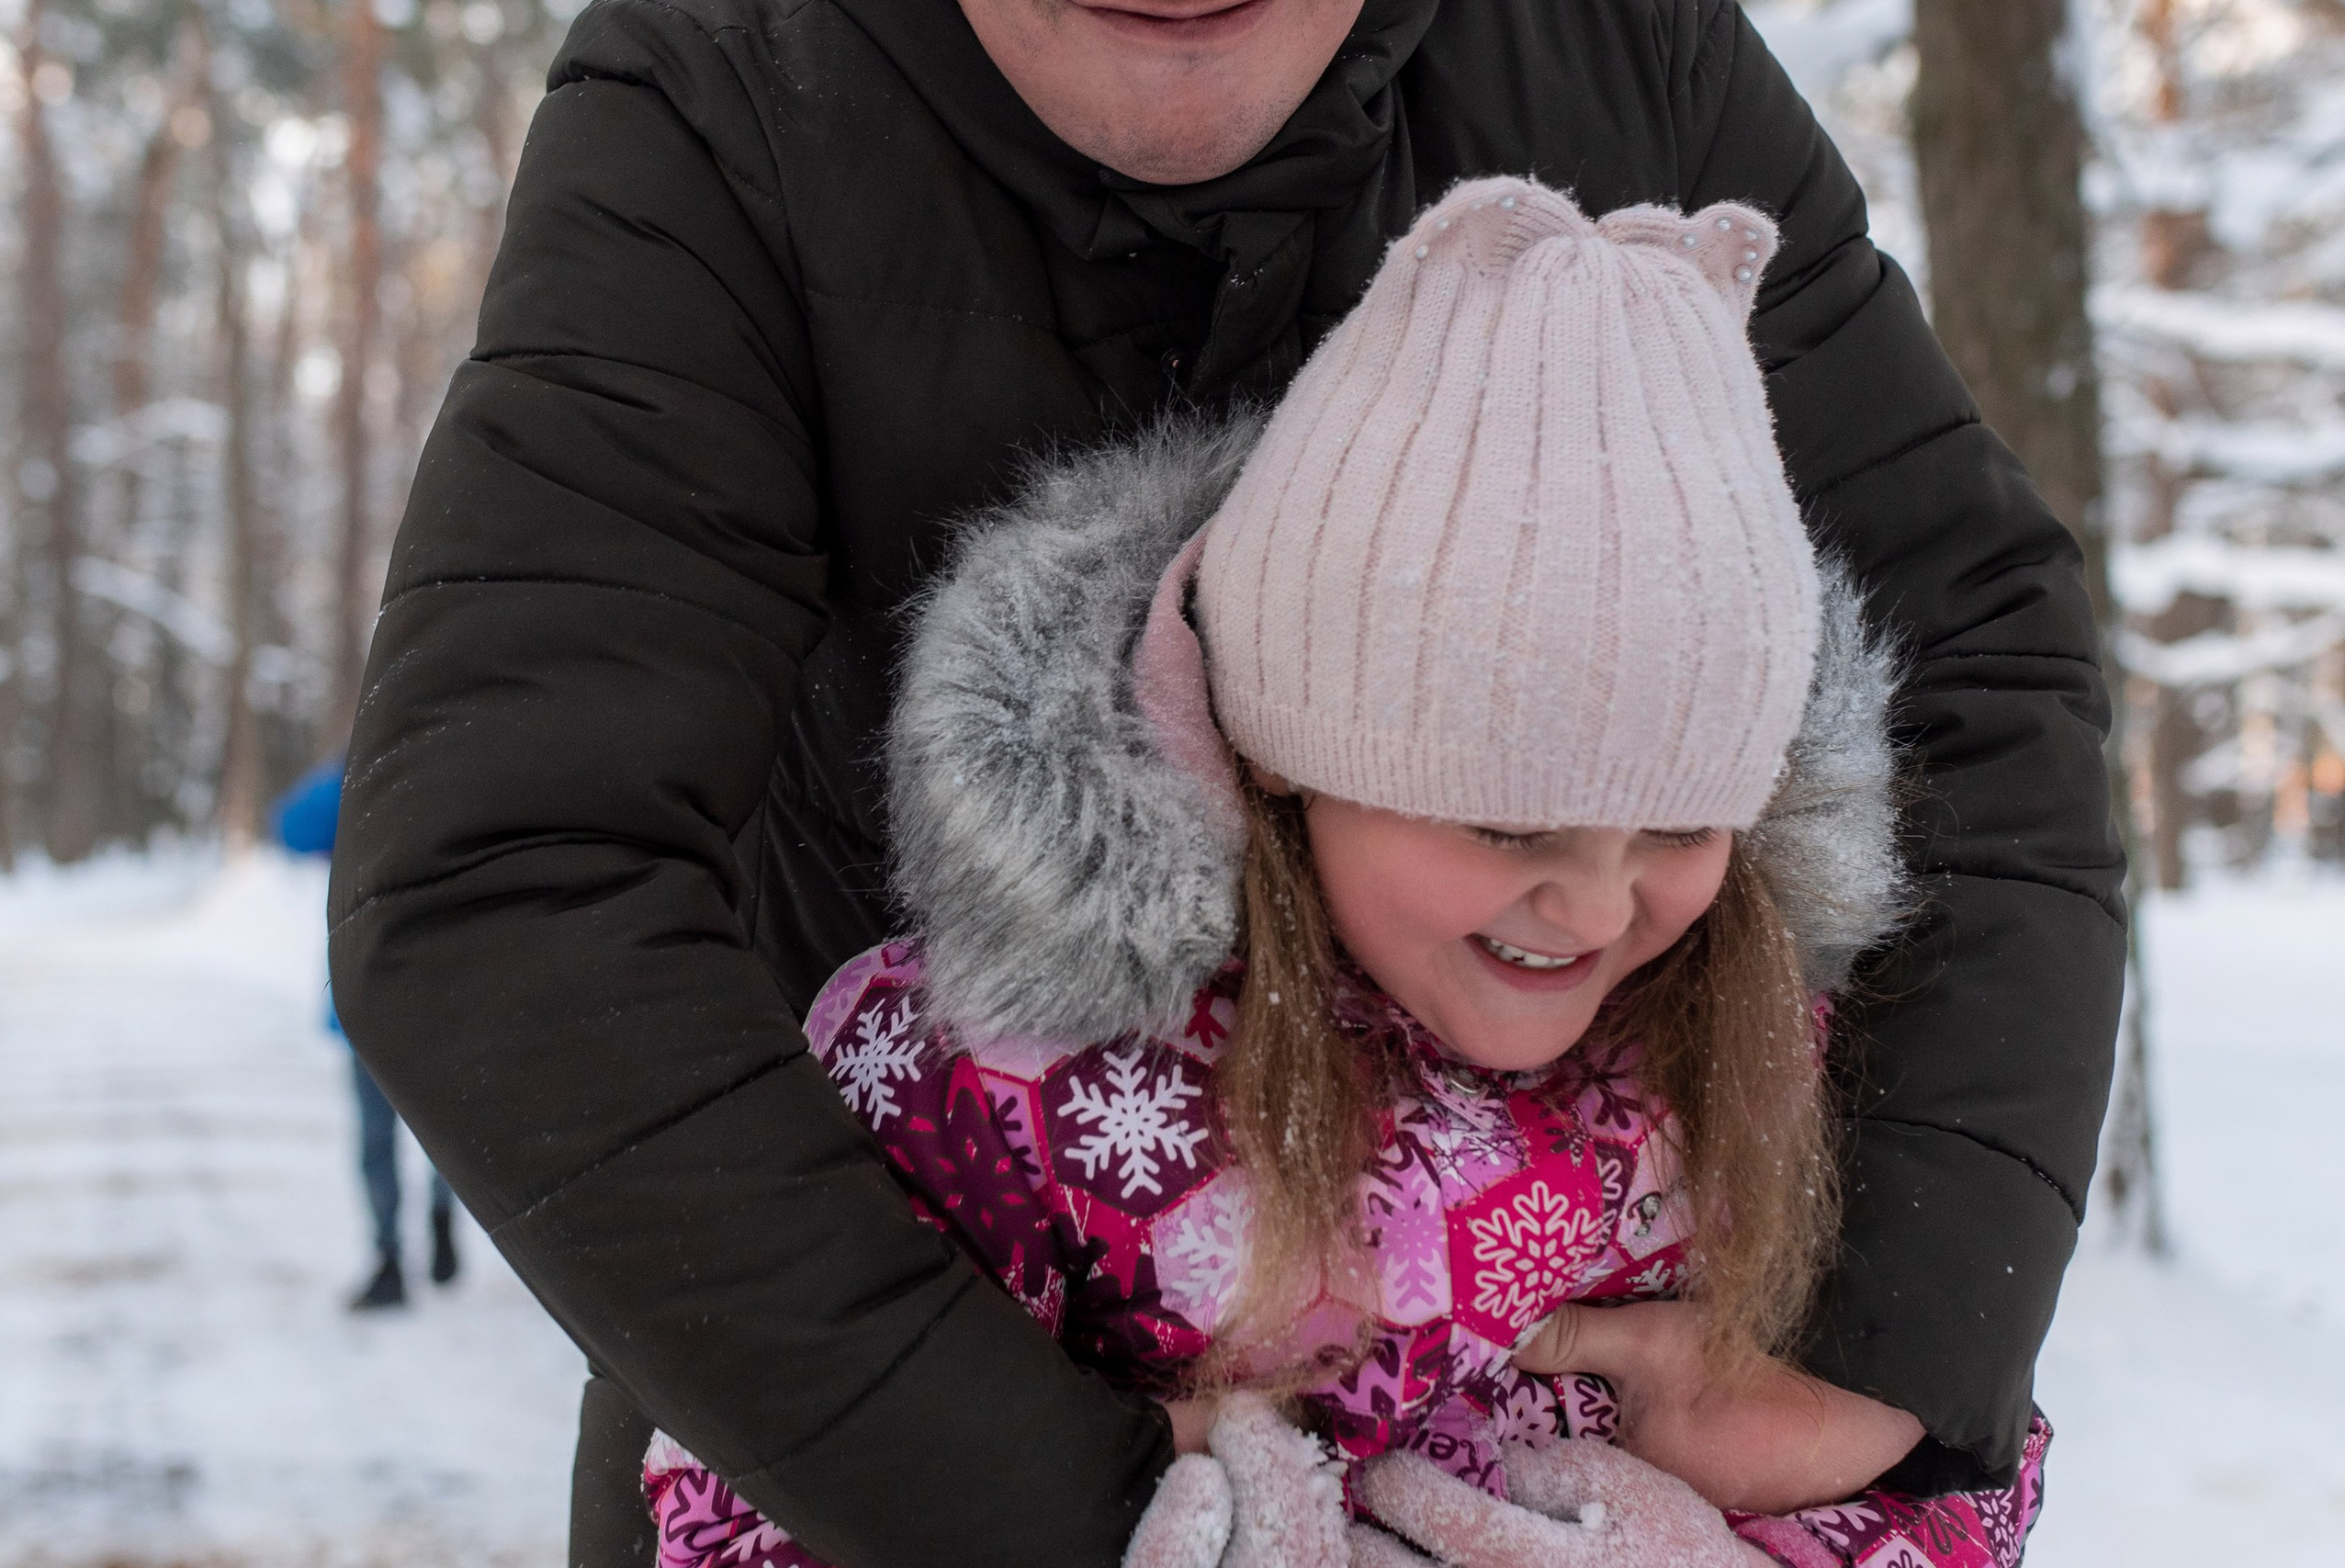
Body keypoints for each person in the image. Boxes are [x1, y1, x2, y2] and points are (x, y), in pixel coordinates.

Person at [330, 2, 2125, 1562]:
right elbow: (510, 872)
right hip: (880, 1433)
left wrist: (1881, 1348)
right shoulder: (731, 81)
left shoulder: (1609, 44)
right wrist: (1064, 1505)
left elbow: (1970, 651)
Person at [639, 181, 2049, 1568]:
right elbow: (758, 1482)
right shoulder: (1002, 1086)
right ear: (1286, 750)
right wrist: (1098, 1497)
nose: (1597, 906)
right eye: (1510, 827)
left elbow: (1943, 1467)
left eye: (1681, 831)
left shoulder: (1744, 1045)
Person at [276, 758, 458, 1309]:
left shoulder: (359, 777)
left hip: (376, 987)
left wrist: (351, 764)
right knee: (442, 1128)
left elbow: (289, 827)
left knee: (384, 1139)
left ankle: (391, 1255)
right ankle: (434, 1218)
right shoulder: (443, 769)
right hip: (434, 989)